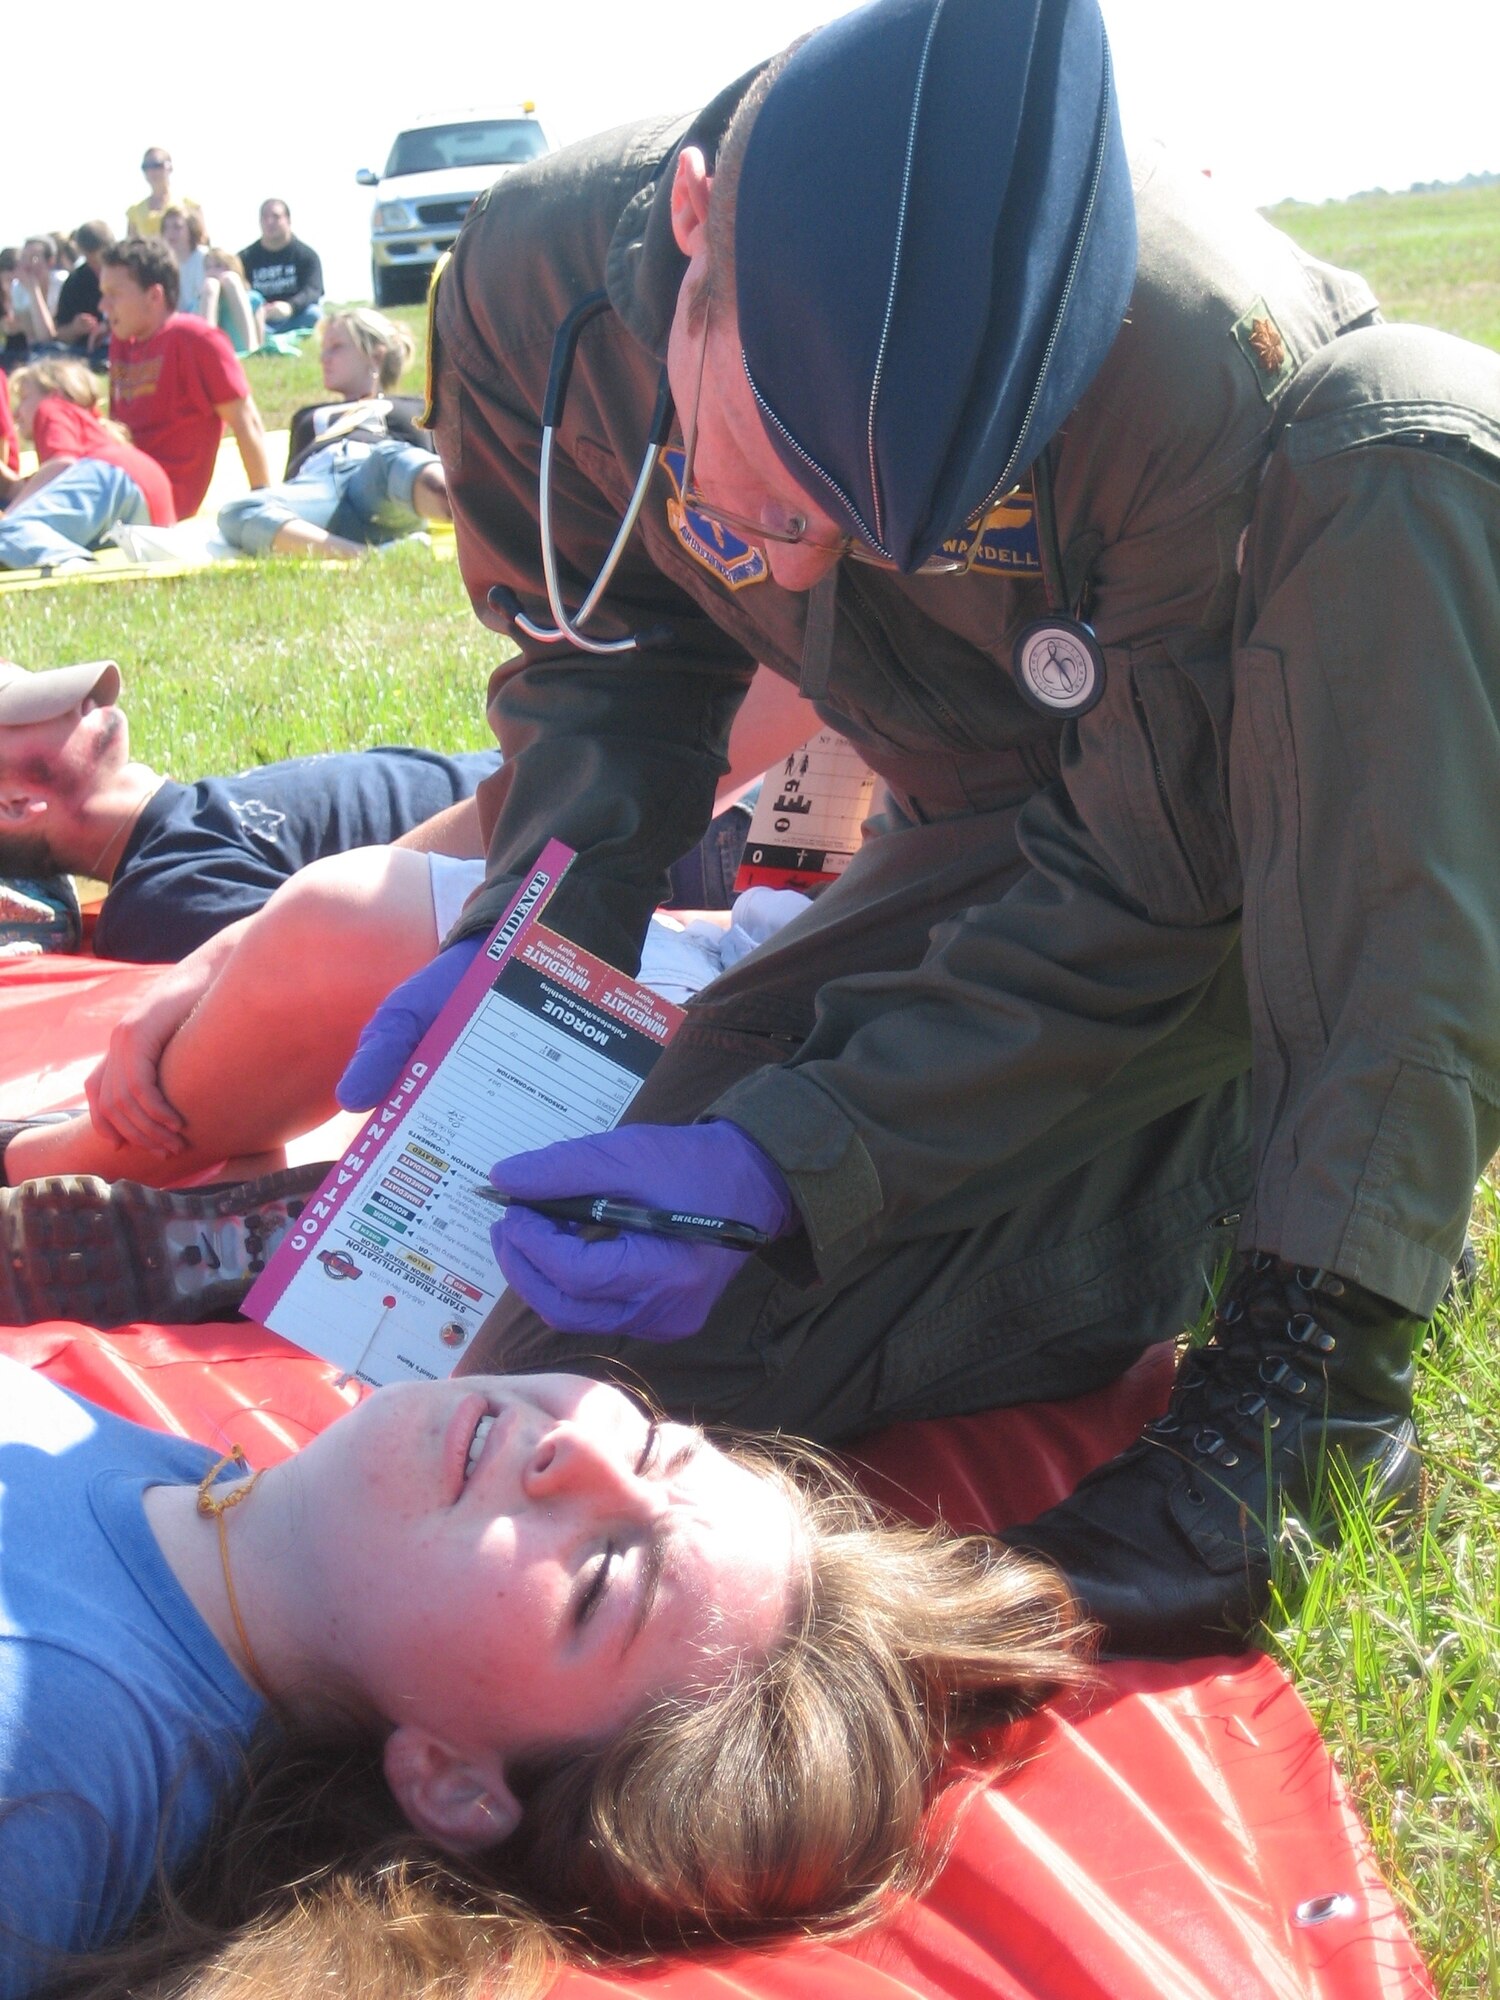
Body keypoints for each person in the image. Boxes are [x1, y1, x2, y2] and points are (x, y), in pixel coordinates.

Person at [303, 0, 1500, 1664]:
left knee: (1411, 425)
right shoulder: (529, 301)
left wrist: (802, 1155)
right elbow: (611, 677)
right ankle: (1201, 1168)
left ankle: (1315, 1373)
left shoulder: (1182, 362)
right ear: (697, 229)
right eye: (767, 498)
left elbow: (1149, 886)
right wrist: (541, 941)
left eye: (860, 526)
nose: (788, 573)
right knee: (618, 1345)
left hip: (1262, 830)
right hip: (1004, 835)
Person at [0, 1356, 1086, 1999]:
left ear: (454, 1781)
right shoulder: (204, 1505)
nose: (581, 1450)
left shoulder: (45, 1742)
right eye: (657, 1445)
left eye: (603, 1573)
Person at [0, 661, 812, 1221]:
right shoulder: (168, 880)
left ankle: (50, 1171)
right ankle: (65, 1172)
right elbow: (594, 792)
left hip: (689, 860)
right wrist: (229, 953)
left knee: (333, 919)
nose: (75, 703)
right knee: (334, 919)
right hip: (680, 856)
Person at [219, 308, 451, 559]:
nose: (323, 358)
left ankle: (479, 516)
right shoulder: (307, 416)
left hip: (381, 481)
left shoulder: (413, 406)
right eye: (324, 349)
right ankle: (366, 557)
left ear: (375, 355)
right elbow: (293, 481)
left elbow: (425, 459)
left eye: (336, 347)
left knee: (393, 458)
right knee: (239, 509)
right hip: (317, 488)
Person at [103, 236, 271, 518]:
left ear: (154, 295)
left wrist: (265, 505)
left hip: (157, 496)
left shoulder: (196, 339)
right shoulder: (122, 342)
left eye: (113, 294)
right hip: (115, 479)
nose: (103, 305)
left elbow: (246, 422)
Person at [0, 359, 175, 572]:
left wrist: (12, 513)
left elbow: (62, 463)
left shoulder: (51, 407)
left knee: (9, 531)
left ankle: (75, 568)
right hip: (150, 502)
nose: (17, 413)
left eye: (24, 398)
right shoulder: (88, 425)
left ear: (56, 392)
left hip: (111, 478)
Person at [239, 198, 324, 333]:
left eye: (276, 217)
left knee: (314, 314)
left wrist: (289, 307)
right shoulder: (244, 258)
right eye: (264, 217)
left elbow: (313, 290)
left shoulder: (307, 255)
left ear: (288, 220)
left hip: (294, 315)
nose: (269, 222)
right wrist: (261, 311)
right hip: (259, 318)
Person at [51, 221, 114, 360]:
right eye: (92, 261)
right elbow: (59, 334)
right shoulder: (75, 282)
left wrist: (109, 326)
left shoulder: (131, 274)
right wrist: (75, 328)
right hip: (87, 352)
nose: (98, 267)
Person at [125, 146, 202, 241]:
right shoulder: (134, 212)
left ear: (170, 168)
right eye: (146, 167)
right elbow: (130, 248)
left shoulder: (190, 206)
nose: (151, 171)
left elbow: (202, 240)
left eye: (157, 165)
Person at [4, 238, 62, 356]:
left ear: (50, 261)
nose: (27, 264)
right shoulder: (18, 289)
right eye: (24, 257)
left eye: (34, 258)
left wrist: (33, 289)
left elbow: (45, 337)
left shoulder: (62, 284)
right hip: (33, 351)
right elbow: (32, 337)